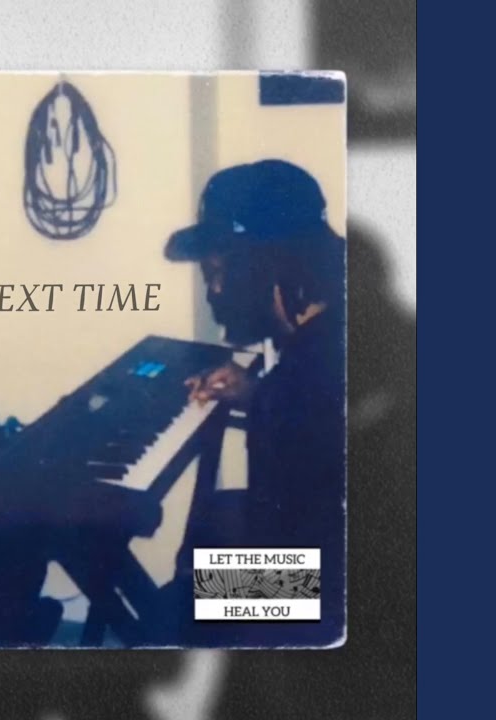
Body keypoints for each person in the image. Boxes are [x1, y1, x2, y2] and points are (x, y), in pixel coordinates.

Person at [161, 159, 347, 644]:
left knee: (172, 605)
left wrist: (216, 584)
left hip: (327, 596)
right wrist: (256, 393)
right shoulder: (326, 335)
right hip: (321, 561)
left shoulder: (314, 372)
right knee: (207, 538)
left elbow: (302, 554)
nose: (215, 291)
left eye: (220, 272)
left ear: (268, 264)